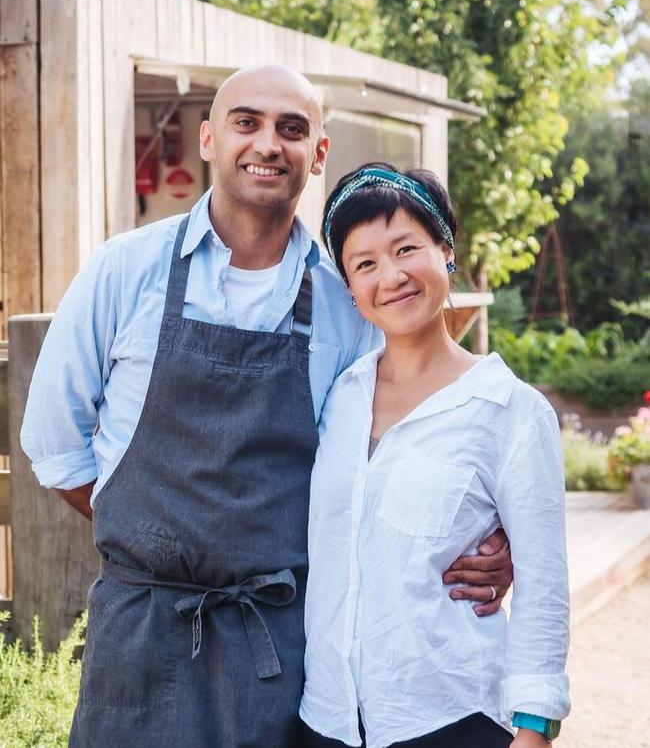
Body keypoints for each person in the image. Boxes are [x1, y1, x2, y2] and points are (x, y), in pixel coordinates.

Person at [21, 66, 513, 748]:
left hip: (281, 641)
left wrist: (492, 537)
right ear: (207, 139)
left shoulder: (351, 303)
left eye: (292, 128)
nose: (267, 143)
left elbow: (412, 452)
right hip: (140, 635)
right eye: (246, 122)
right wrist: (161, 545)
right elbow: (54, 444)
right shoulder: (122, 271)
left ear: (317, 152)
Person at [299, 164, 570, 748]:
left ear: (446, 251)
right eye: (365, 263)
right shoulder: (336, 398)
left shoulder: (509, 411)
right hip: (325, 721)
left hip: (452, 720)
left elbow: (545, 591)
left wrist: (534, 730)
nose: (391, 276)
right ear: (349, 286)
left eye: (406, 249)